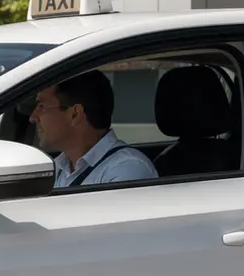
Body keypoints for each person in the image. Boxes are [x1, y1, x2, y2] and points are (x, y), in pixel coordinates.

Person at [28, 69, 157, 189]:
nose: (33, 118)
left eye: (41, 106)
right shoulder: (57, 168)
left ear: (75, 114)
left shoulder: (127, 169)